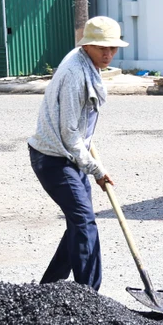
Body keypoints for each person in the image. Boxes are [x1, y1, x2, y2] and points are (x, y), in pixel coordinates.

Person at [28, 16, 127, 290]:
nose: (107, 54)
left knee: (78, 222)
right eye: (100, 47)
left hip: (72, 156)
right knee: (85, 223)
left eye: (113, 48)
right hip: (54, 158)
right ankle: (89, 296)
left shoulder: (87, 62)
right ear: (87, 45)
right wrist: (96, 168)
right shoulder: (75, 74)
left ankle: (49, 288)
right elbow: (70, 134)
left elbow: (80, 130)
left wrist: (90, 161)